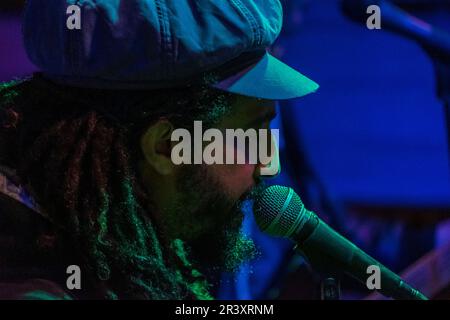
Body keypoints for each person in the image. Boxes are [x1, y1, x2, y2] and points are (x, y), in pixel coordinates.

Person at [0, 0, 318, 299]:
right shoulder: (32, 284)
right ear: (165, 146)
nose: (269, 164)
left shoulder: (110, 240)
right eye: (252, 134)